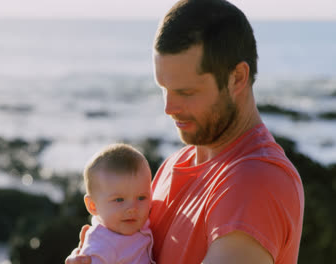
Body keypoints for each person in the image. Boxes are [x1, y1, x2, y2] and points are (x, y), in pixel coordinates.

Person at [67, 0, 304, 263]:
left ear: (237, 78)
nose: (169, 107)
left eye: (186, 92)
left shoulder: (256, 180)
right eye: (164, 88)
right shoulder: (172, 166)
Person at [77, 143, 155, 264]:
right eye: (119, 200)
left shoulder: (141, 224)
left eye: (141, 198)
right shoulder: (100, 246)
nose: (132, 208)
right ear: (93, 205)